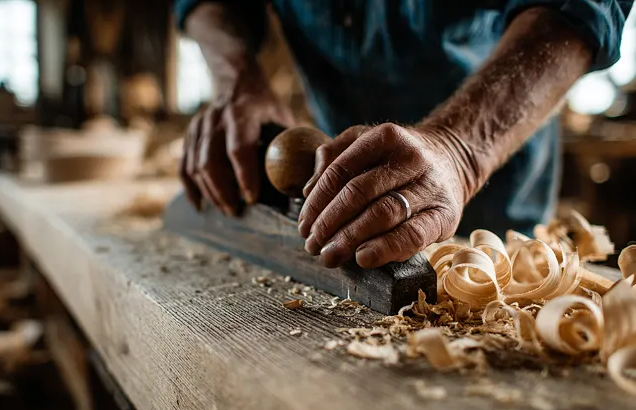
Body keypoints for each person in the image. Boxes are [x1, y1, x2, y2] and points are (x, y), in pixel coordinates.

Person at [174, 0, 633, 270]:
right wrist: (235, 76)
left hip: (491, 203)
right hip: (338, 188)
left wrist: (458, 149)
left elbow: (580, 7)